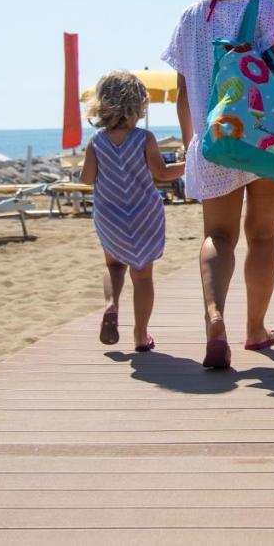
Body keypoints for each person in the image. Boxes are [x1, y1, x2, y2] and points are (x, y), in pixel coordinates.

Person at [163, 0, 274, 370]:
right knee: (263, 235)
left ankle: (214, 315)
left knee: (218, 237)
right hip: (267, 141)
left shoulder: (189, 18)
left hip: (214, 141)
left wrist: (191, 143)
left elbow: (184, 91)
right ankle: (256, 329)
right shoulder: (265, 10)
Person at [82, 71, 185, 353]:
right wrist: (189, 165)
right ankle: (140, 335)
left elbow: (87, 178)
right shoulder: (145, 138)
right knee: (142, 276)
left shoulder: (96, 141)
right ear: (138, 106)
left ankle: (111, 305)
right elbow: (162, 174)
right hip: (144, 215)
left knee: (114, 266)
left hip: (110, 214)